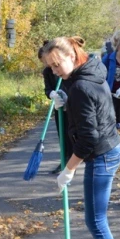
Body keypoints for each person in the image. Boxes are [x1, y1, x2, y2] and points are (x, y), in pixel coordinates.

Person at [42, 36, 120, 239]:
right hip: (106, 149)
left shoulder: (80, 86)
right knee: (95, 218)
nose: (54, 71)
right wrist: (63, 102)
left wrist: (68, 169)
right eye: (50, 67)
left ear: (71, 56)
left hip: (102, 155)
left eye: (57, 65)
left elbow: (88, 139)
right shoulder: (91, 69)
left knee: (95, 220)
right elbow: (86, 110)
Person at [38, 42, 72, 173]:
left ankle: (72, 160)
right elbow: (47, 89)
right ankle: (64, 161)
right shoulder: (47, 72)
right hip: (59, 108)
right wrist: (51, 94)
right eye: (44, 62)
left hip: (72, 106)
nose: (48, 65)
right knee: (62, 135)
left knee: (73, 134)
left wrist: (67, 95)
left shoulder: (64, 68)